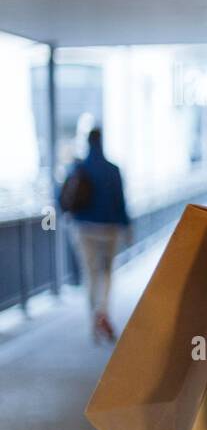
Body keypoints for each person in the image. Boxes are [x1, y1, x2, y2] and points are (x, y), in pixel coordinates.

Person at [59, 127, 131, 343]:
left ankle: (93, 318)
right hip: (110, 230)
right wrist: (127, 228)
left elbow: (60, 195)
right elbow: (121, 202)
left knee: (89, 273)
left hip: (83, 229)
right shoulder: (112, 169)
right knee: (107, 272)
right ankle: (103, 312)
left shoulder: (78, 168)